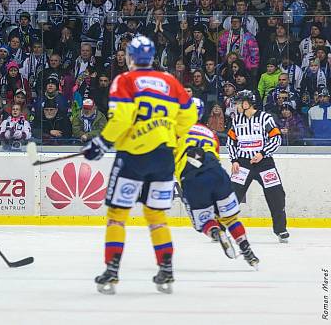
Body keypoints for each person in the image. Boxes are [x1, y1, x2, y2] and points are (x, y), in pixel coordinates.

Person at [82, 35, 196, 295]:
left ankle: (112, 271)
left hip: (133, 157)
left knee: (117, 216)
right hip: (164, 157)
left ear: (131, 58)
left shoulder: (124, 80)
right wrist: (169, 132)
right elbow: (190, 116)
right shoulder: (170, 81)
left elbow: (121, 119)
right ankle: (166, 268)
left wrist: (101, 143)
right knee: (156, 215)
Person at [175, 98, 259, 268]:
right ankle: (246, 249)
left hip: (192, 178)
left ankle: (216, 232)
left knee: (203, 221)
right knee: (230, 218)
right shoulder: (210, 133)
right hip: (216, 172)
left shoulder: (174, 129)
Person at [226, 89, 289, 242]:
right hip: (243, 163)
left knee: (276, 195)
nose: (237, 105)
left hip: (264, 163)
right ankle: (220, 228)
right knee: (231, 196)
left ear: (247, 103)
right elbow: (231, 141)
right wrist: (234, 160)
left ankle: (280, 230)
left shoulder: (265, 118)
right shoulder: (237, 120)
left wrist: (262, 153)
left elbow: (276, 138)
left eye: (239, 103)